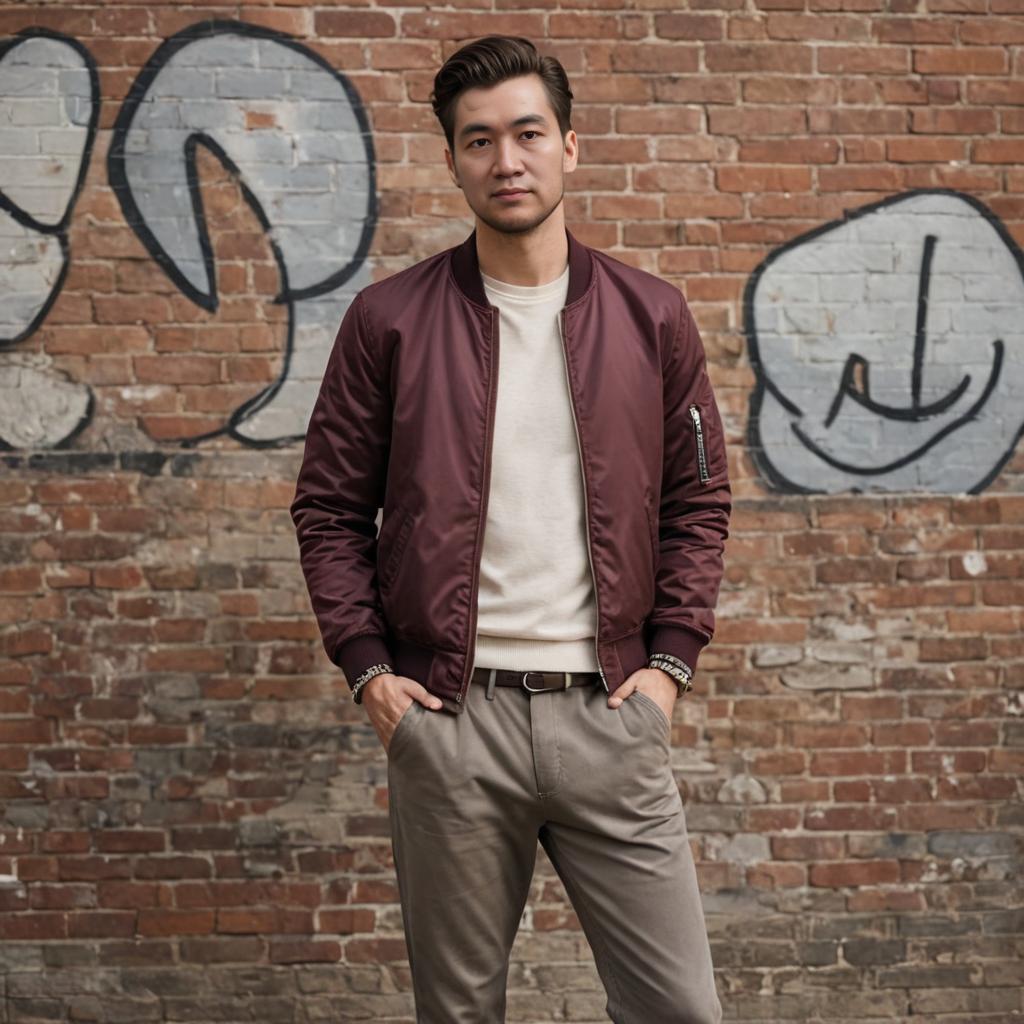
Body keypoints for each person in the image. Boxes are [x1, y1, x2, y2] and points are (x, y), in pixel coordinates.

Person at [290, 34, 730, 1024]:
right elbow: (327, 505)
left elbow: (699, 499)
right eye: (479, 140)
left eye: (528, 133)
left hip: (609, 716)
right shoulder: (388, 320)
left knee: (681, 1010)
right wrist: (368, 671)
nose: (507, 160)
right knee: (458, 1014)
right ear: (452, 159)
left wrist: (668, 667)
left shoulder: (650, 315)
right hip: (450, 722)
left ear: (570, 146)